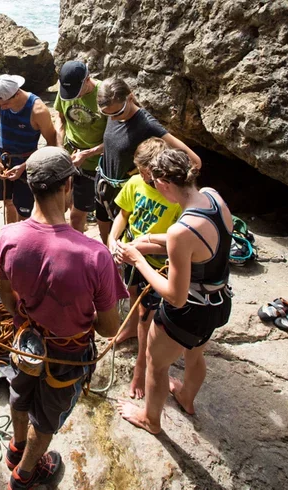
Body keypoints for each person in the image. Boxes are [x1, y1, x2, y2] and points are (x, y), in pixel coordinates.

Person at [0, 147, 128, 489]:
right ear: (68, 186)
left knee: (20, 394)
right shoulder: (95, 256)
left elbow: (6, 296)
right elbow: (109, 327)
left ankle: (16, 447)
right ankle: (25, 474)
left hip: (25, 343)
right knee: (46, 420)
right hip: (65, 356)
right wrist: (75, 319)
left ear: (30, 185)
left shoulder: (8, 237)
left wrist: (29, 320)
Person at [116, 148, 233, 434]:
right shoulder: (212, 197)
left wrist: (138, 260)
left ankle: (150, 420)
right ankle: (186, 398)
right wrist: (150, 238)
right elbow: (200, 241)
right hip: (218, 303)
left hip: (188, 312)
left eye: (154, 182)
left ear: (164, 184)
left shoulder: (182, 231)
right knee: (194, 355)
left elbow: (175, 296)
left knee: (156, 364)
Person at [108, 137, 182, 398]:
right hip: (132, 251)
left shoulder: (173, 198)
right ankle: (129, 328)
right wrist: (112, 239)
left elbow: (176, 243)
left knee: (145, 314)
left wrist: (143, 250)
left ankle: (141, 366)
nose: (140, 174)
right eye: (139, 169)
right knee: (130, 291)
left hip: (157, 263)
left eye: (144, 171)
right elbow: (123, 214)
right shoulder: (135, 184)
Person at [95, 78, 202, 245]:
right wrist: (89, 152)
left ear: (130, 98)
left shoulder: (147, 125)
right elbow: (114, 143)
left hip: (129, 192)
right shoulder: (115, 110)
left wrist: (153, 175)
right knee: (106, 238)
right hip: (104, 186)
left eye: (117, 113)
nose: (113, 119)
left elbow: (194, 161)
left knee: (122, 241)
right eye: (107, 115)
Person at [0, 74, 57, 223]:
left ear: (17, 93)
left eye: (5, 104)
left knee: (24, 210)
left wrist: (25, 166)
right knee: (8, 202)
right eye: (0, 104)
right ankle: (10, 235)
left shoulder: (38, 110)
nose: (2, 108)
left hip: (27, 161)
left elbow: (52, 143)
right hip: (4, 158)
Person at [54, 61, 107, 233]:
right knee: (65, 208)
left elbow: (115, 139)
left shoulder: (105, 95)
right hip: (70, 153)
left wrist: (87, 154)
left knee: (84, 215)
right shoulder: (66, 91)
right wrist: (60, 146)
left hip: (94, 162)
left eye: (76, 92)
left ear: (87, 79)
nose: (72, 97)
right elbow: (60, 117)